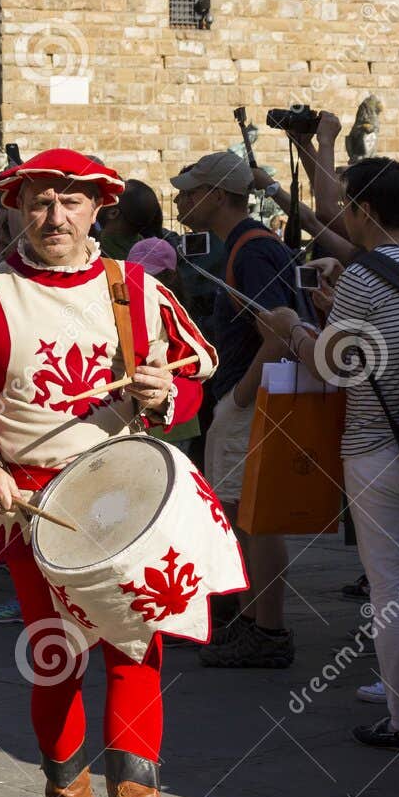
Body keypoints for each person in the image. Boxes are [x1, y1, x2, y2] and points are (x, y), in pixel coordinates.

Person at [0, 148, 224, 797]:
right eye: (41, 202)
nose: (55, 217)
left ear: (96, 210)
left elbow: (188, 389)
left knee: (137, 650)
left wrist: (160, 395)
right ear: (18, 207)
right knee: (58, 660)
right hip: (35, 509)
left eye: (70, 203)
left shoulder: (134, 288)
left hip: (130, 502)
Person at [256, 156, 399, 749]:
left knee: (390, 586)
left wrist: (293, 327)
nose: (337, 211)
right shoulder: (365, 277)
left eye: (344, 201)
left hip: (378, 449)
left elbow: (338, 365)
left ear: (365, 210)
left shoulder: (366, 277)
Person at [173, 150, 300, 669]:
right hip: (249, 394)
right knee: (244, 518)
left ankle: (266, 631)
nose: (181, 200)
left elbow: (279, 328)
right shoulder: (246, 245)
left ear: (217, 196)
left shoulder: (249, 250)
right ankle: (251, 622)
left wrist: (239, 396)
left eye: (189, 192)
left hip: (250, 398)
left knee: (255, 520)